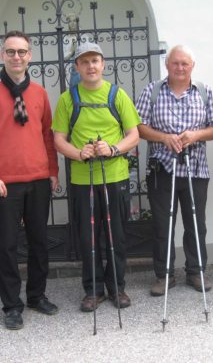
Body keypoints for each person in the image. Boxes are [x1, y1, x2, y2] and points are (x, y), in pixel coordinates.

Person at [0, 30, 59, 330]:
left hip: (38, 180)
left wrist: (53, 172)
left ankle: (36, 295)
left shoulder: (40, 94)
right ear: (2, 55)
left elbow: (48, 136)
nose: (16, 57)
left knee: (39, 242)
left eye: (21, 52)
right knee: (7, 246)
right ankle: (11, 305)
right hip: (5, 183)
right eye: (11, 52)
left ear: (29, 55)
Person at [52, 42, 141, 312]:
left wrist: (112, 149)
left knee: (116, 234)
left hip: (115, 176)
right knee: (88, 236)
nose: (91, 66)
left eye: (95, 61)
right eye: (85, 62)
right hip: (83, 179)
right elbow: (58, 139)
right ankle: (93, 290)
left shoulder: (117, 95)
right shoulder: (68, 99)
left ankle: (117, 287)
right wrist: (79, 153)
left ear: (103, 64)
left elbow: (134, 134)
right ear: (77, 67)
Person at [135, 45, 213, 296]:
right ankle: (163, 275)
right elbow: (139, 127)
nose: (180, 68)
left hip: (196, 168)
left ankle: (196, 271)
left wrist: (195, 135)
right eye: (175, 63)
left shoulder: (204, 92)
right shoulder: (152, 91)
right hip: (162, 169)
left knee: (196, 223)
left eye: (185, 63)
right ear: (167, 65)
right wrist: (164, 138)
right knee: (163, 224)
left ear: (192, 66)